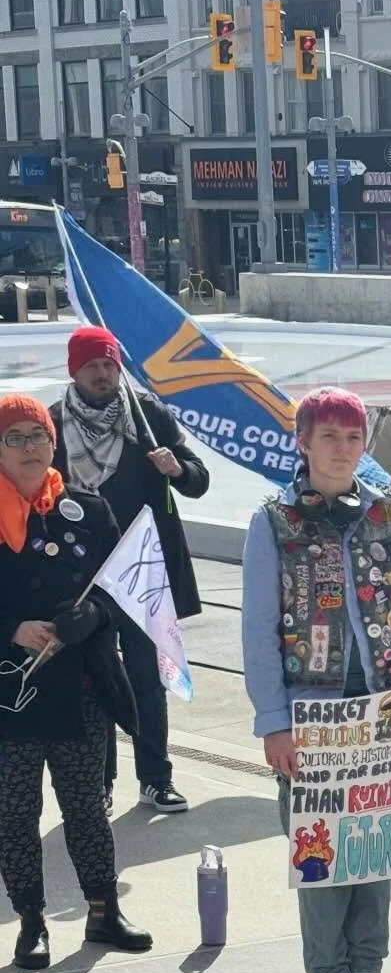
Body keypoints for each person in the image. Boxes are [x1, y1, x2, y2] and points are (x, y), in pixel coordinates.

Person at [242, 388, 391, 973]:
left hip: (383, 699)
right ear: (302, 442)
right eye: (328, 436)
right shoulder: (274, 518)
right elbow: (258, 628)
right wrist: (273, 719)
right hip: (312, 710)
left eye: (353, 438)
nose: (342, 449)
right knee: (322, 843)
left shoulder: (389, 514)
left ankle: (368, 965)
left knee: (376, 839)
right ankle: (328, 972)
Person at [0, 394, 152, 967]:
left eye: (37, 435)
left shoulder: (87, 510)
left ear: (53, 441)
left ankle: (103, 910)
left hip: (80, 687)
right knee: (15, 813)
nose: (29, 447)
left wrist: (91, 616)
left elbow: (119, 588)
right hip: (10, 692)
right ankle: (31, 921)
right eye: (14, 437)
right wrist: (13, 629)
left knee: (87, 804)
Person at [50, 325, 209, 814]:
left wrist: (176, 468)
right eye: (92, 365)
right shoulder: (54, 425)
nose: (103, 374)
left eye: (109, 365)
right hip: (86, 580)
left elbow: (199, 481)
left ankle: (156, 777)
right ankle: (100, 781)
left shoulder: (147, 415)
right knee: (94, 682)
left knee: (146, 678)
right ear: (74, 370)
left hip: (144, 572)